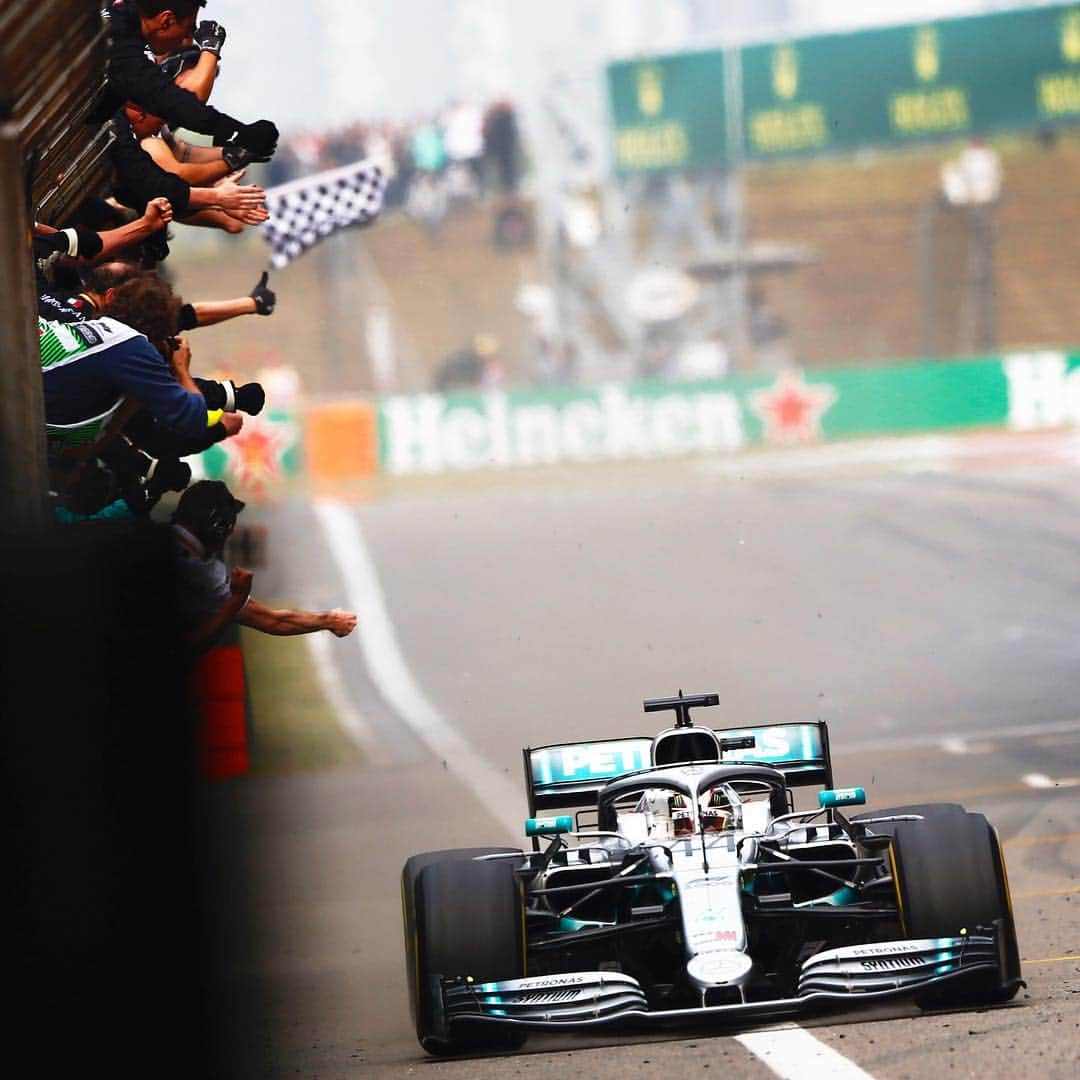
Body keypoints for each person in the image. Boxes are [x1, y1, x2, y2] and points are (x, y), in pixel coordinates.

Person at [171, 481, 357, 655]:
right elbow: (272, 621)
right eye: (228, 525)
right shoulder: (199, 570)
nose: (230, 532)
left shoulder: (152, 540)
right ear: (217, 525)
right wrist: (329, 620)